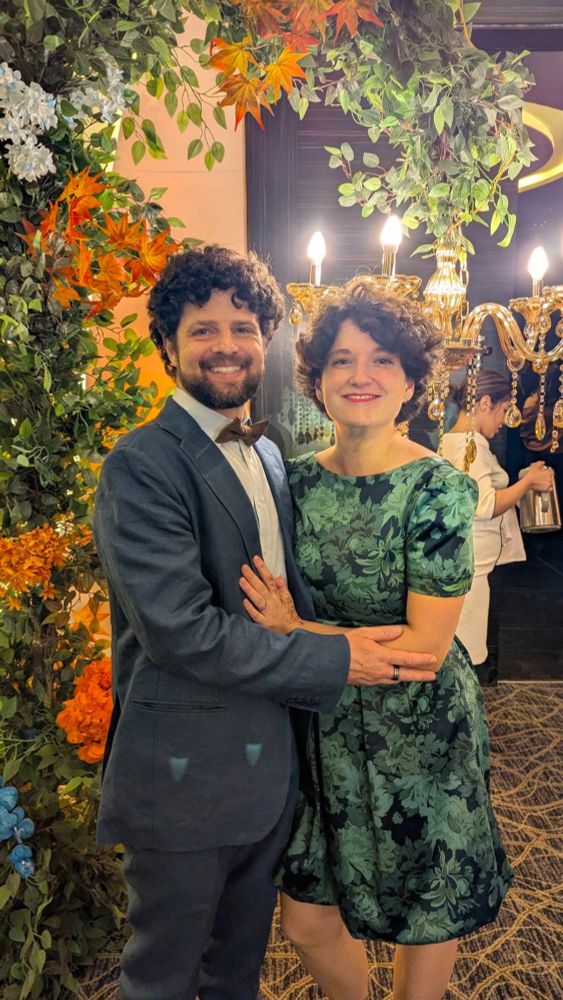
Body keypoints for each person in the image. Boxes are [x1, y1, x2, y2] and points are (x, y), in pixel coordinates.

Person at [92, 246, 438, 1000]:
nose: (225, 345)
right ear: (167, 346)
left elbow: (286, 604)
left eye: (243, 327)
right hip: (184, 777)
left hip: (268, 773)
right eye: (202, 329)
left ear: (267, 341)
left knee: (235, 971)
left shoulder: (272, 453)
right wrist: (336, 660)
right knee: (162, 976)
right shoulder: (141, 464)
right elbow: (182, 632)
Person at [239, 286, 513, 1000]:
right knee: (305, 918)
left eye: (381, 360)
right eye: (341, 360)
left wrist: (298, 630)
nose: (359, 375)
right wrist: (313, 639)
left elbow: (421, 647)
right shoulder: (289, 484)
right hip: (325, 723)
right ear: (317, 380)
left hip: (423, 725)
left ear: (412, 382)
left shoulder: (438, 489)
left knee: (429, 900)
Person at [441, 371, 553, 674]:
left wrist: (520, 485)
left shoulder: (451, 441)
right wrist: (528, 482)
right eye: (504, 411)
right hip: (472, 566)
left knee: (460, 651)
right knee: (468, 655)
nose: (505, 421)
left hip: (462, 561)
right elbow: (486, 505)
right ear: (485, 403)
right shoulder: (471, 445)